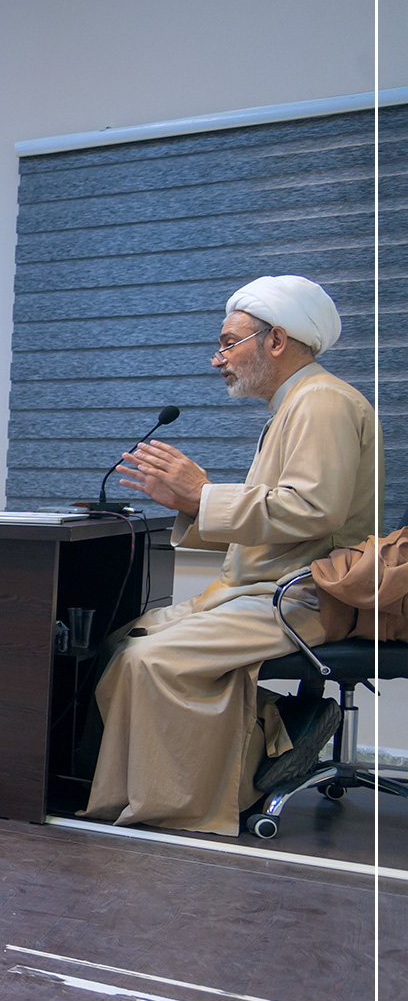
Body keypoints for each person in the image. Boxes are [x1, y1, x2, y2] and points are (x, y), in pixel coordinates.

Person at [88, 275, 380, 837]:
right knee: (126, 642)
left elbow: (311, 510)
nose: (217, 359)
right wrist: (193, 502)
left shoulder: (321, 403)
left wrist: (202, 494)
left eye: (228, 343)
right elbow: (278, 515)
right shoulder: (297, 403)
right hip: (263, 591)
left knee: (151, 661)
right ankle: (275, 730)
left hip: (301, 597)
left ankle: (246, 762)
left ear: (277, 340)